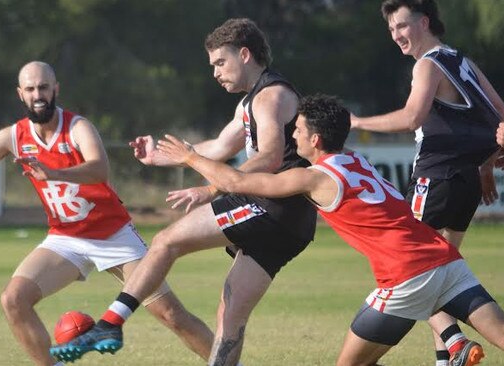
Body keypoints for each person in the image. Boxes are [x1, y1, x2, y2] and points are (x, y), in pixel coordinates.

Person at [157, 93, 504, 366]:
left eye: (299, 130)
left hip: (405, 277)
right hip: (445, 261)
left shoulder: (314, 178)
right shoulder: (355, 161)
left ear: (315, 139)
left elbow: (237, 182)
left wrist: (190, 157)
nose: (294, 136)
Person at [0, 61, 215, 366]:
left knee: (172, 315)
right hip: (65, 239)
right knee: (13, 300)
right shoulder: (12, 137)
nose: (37, 95)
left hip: (113, 235)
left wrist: (55, 172)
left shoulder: (78, 126)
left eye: (43, 87)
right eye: (30, 89)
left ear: (56, 88)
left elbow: (100, 169)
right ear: (20, 94)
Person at [50, 18, 317, 365]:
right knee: (230, 314)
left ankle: (109, 323)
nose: (216, 73)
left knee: (165, 241)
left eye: (221, 62)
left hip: (270, 206)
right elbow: (220, 146)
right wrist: (159, 157)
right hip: (293, 221)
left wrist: (211, 187)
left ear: (246, 54)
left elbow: (269, 157)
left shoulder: (269, 97)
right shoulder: (252, 101)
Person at [350, 1, 504, 364]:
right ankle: (448, 356)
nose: (396, 36)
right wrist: (483, 165)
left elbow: (411, 117)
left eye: (402, 26)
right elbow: (501, 113)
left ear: (424, 22)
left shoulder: (429, 63)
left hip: (434, 179)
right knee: (441, 271)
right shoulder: (461, 60)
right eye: (391, 30)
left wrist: (358, 123)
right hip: (464, 181)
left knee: (412, 267)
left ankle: (454, 341)